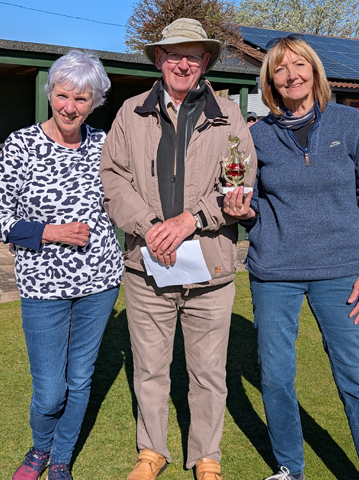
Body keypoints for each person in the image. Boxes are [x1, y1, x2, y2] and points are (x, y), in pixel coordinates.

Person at [224, 34, 359, 480]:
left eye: (299, 65)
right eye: (280, 69)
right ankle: (290, 468)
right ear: (270, 81)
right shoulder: (255, 136)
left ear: (314, 72)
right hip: (274, 274)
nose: (291, 75)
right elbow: (254, 204)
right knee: (277, 379)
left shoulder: (350, 123)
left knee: (358, 384)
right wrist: (245, 212)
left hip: (342, 273)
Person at [100, 18, 256, 480]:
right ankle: (152, 451)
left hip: (211, 268)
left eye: (192, 55)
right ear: (158, 60)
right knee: (150, 370)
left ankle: (206, 456)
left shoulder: (229, 116)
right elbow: (113, 178)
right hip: (146, 267)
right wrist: (150, 227)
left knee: (208, 373)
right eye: (173, 54)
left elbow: (241, 183)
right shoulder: (130, 112)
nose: (182, 63)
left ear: (205, 61)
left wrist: (191, 219)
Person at [0, 50, 123, 480]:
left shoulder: (104, 145)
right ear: (51, 93)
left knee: (81, 379)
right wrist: (51, 232)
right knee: (49, 390)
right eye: (63, 95)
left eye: (82, 99)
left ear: (95, 102)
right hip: (43, 285)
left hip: (100, 280)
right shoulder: (21, 144)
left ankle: (61, 458)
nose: (70, 107)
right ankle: (39, 449)